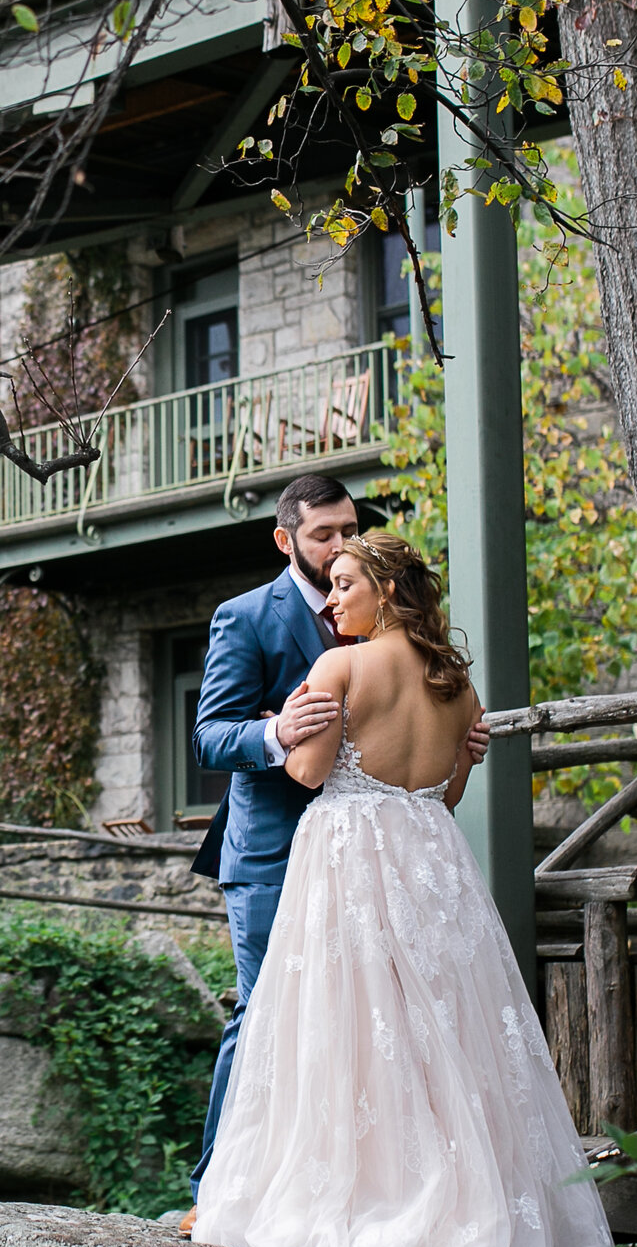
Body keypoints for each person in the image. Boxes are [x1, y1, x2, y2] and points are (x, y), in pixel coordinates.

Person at [190, 531, 611, 1247]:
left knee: (348, 1018)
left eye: (346, 583)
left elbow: (312, 775)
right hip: (431, 856)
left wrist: (289, 727)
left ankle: (365, 1189)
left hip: (350, 855)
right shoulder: (456, 680)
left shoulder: (340, 665)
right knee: (438, 1026)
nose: (333, 598)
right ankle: (460, 1191)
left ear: (385, 591)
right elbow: (445, 792)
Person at [185, 475, 485, 1199]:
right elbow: (208, 735)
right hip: (274, 851)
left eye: (349, 531)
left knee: (373, 1017)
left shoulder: (391, 641)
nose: (337, 547)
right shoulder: (246, 616)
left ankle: (359, 1186)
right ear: (287, 539)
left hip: (377, 857)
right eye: (324, 535)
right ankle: (217, 1188)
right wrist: (274, 730)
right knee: (263, 1013)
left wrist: (457, 742)